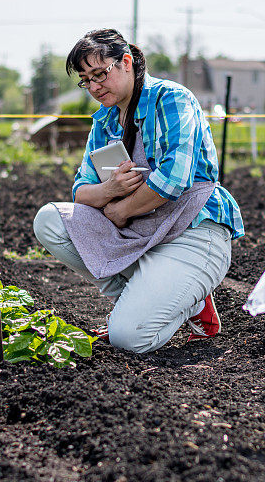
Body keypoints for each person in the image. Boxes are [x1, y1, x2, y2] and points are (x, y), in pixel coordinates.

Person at [33, 29, 243, 354]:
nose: (94, 86)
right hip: (142, 235)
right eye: (86, 80)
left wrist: (122, 209)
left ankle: (187, 302)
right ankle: (141, 297)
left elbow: (175, 178)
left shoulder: (171, 98)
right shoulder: (104, 122)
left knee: (128, 338)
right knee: (50, 219)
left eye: (100, 74)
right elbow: (81, 192)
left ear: (126, 62)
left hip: (192, 232)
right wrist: (109, 189)